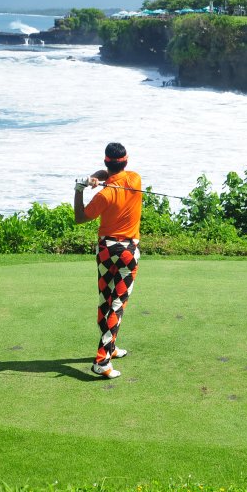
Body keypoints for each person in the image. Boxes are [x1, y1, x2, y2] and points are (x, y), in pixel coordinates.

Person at [73, 142, 143, 379]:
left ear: (106, 162)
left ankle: (110, 348)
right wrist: (97, 177)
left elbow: (80, 218)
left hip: (105, 250)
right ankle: (101, 361)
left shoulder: (104, 194)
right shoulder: (135, 179)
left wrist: (81, 188)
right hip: (127, 252)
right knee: (117, 304)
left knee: (106, 300)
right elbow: (110, 173)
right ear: (126, 161)